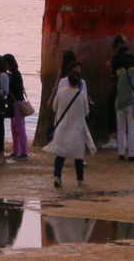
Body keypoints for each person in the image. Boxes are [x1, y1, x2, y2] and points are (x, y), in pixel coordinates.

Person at [44, 58, 95, 188]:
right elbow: (86, 112)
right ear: (79, 82)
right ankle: (80, 179)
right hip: (77, 127)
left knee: (60, 153)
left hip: (62, 126)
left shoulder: (61, 92)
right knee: (78, 154)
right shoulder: (82, 95)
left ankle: (57, 176)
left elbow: (55, 108)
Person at [111, 54, 134, 163]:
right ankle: (132, 154)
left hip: (119, 104)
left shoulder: (122, 74)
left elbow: (118, 86)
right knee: (132, 130)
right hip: (132, 104)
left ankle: (121, 153)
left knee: (121, 130)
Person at [1, 52, 30, 159]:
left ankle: (24, 152)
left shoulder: (15, 74)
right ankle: (16, 150)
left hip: (17, 103)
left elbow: (13, 88)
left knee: (20, 128)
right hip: (14, 103)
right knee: (14, 129)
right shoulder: (13, 74)